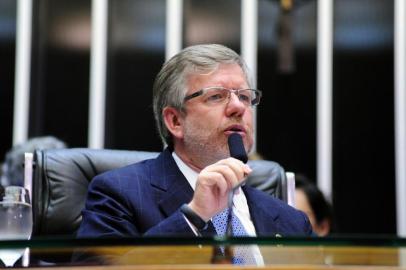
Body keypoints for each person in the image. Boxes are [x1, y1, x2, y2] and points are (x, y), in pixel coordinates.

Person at [77, 44, 312, 241]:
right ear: (175, 120)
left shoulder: (293, 221)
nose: (238, 107)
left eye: (244, 96)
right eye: (216, 96)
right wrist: (194, 217)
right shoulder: (117, 194)